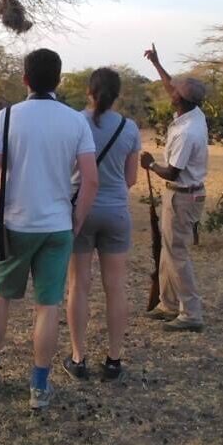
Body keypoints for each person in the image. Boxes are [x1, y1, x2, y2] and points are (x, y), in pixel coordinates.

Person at [0, 48, 99, 410]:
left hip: (15, 224)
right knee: (49, 306)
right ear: (59, 80)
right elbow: (90, 180)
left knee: (1, 296)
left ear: (25, 79)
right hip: (57, 226)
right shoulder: (76, 122)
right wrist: (75, 220)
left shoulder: (7, 117)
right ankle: (39, 387)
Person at [63, 67, 141, 382]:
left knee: (78, 285)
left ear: (88, 92)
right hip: (116, 212)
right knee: (115, 287)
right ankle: (113, 359)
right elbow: (131, 178)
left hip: (80, 210)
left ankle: (78, 357)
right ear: (118, 93)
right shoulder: (130, 127)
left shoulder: (74, 122)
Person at [141, 43, 208, 332]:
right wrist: (157, 63)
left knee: (177, 252)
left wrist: (150, 164)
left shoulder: (187, 132)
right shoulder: (193, 115)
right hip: (184, 195)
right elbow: (170, 86)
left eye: (176, 89)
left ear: (181, 99)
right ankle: (168, 304)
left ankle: (191, 313)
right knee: (169, 250)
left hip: (182, 195)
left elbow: (173, 171)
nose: (171, 89)